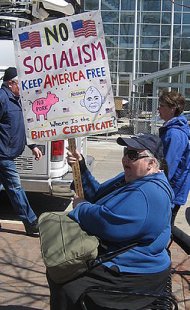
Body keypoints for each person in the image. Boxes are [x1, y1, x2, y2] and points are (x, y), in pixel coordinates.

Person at [46, 133, 174, 310]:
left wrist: (81, 208)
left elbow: (108, 223)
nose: (125, 159)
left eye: (133, 155)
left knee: (65, 280)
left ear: (151, 164)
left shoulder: (148, 193)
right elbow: (97, 194)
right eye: (125, 152)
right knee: (60, 267)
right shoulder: (131, 179)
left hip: (135, 271)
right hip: (121, 256)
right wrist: (81, 167)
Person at [0, 67, 43, 236]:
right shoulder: (2, 98)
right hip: (3, 154)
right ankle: (31, 222)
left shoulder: (16, 99)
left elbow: (21, 127)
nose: (23, 88)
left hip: (8, 152)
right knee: (15, 187)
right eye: (20, 84)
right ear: (11, 83)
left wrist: (32, 146)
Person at [158, 90, 190, 226]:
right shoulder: (173, 129)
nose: (158, 108)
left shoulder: (175, 133)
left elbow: (168, 166)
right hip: (173, 188)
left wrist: (157, 187)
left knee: (164, 226)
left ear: (173, 109)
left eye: (162, 105)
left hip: (172, 190)